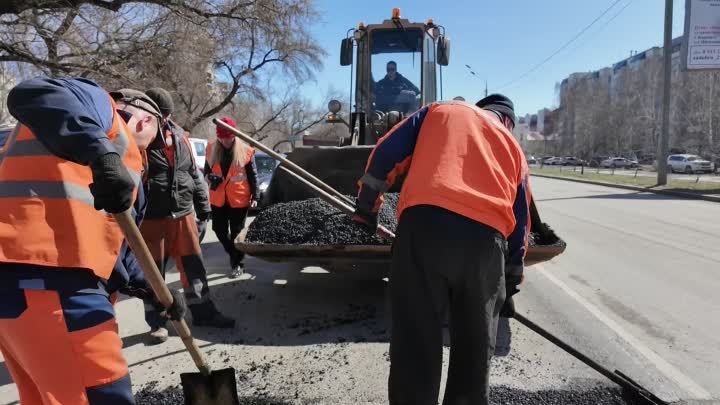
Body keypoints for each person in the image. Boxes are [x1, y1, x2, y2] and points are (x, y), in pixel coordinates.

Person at [0, 77, 185, 405]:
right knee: (102, 396)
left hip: (26, 294)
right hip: (54, 285)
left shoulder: (126, 169)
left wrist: (158, 293)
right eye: (150, 144)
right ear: (145, 120)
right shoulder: (96, 104)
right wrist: (101, 154)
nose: (144, 153)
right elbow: (27, 93)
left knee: (47, 396)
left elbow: (119, 251)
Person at [351, 94, 530, 405]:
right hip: (486, 245)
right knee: (474, 354)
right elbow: (522, 223)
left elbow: (385, 152)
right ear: (508, 122)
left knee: (415, 345)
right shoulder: (514, 148)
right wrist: (510, 281)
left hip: (424, 229)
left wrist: (367, 206)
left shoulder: (442, 110)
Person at [141, 87, 234, 345]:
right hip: (151, 217)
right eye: (160, 114)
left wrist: (203, 206)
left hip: (182, 215)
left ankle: (204, 313)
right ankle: (157, 323)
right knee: (154, 274)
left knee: (194, 268)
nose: (164, 119)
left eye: (166, 114)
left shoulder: (180, 137)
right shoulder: (138, 138)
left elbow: (193, 173)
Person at [205, 117, 258, 278]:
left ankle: (237, 264)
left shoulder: (246, 150)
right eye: (222, 137)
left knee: (236, 233)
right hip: (218, 198)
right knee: (218, 229)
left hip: (239, 199)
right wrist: (210, 178)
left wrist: (256, 196)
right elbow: (206, 172)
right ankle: (234, 254)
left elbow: (253, 176)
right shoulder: (211, 148)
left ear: (234, 135)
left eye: (228, 137)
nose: (225, 141)